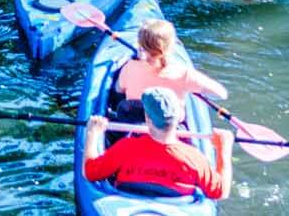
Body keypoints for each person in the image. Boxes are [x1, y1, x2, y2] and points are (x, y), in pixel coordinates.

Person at [83, 89, 234, 201]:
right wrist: (223, 149)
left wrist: (93, 134)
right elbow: (221, 192)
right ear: (179, 118)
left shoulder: (126, 148)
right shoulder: (194, 158)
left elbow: (90, 172)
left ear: (147, 119)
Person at [115, 18, 228, 109]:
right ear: (170, 46)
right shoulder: (184, 74)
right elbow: (222, 94)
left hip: (135, 127)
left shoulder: (130, 67)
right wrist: (193, 88)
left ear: (140, 45)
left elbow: (118, 89)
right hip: (170, 128)